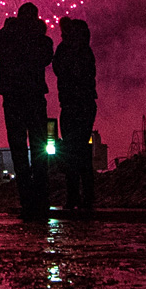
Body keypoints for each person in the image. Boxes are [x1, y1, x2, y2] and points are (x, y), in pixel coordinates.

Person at [0, 2, 54, 218]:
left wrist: (5, 32)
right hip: (33, 96)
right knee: (39, 148)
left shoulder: (11, 37)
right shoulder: (42, 38)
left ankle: (28, 200)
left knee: (19, 149)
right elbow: (46, 58)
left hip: (14, 98)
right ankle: (41, 198)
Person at [53, 17, 97, 211]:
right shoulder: (85, 51)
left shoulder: (66, 50)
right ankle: (87, 196)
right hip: (85, 104)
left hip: (72, 104)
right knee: (81, 151)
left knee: (71, 151)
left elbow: (59, 70)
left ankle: (74, 197)